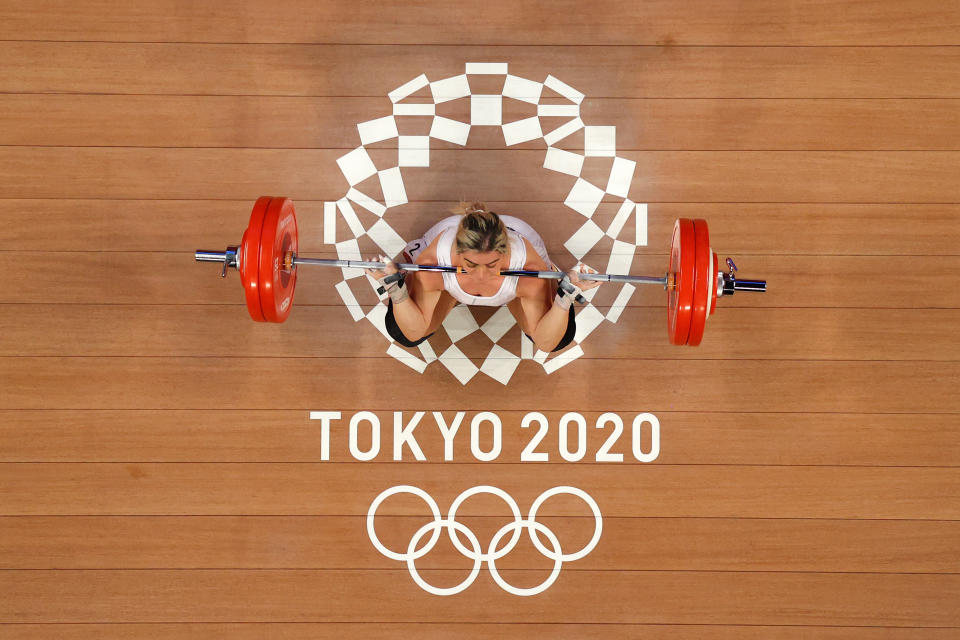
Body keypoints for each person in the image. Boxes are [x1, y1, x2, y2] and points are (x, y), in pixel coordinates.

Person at [366, 202, 600, 353]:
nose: (481, 274)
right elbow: (413, 331)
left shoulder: (527, 268)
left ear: (505, 252)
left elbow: (546, 343)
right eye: (470, 264)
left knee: (559, 338)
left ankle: (558, 286)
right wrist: (394, 288)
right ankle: (406, 281)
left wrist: (566, 296)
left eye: (491, 264)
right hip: (447, 263)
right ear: (457, 253)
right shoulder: (434, 264)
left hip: (517, 257)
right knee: (404, 334)